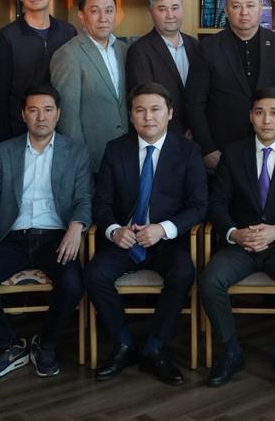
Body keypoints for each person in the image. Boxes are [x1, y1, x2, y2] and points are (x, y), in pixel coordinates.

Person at [0, 85, 92, 380]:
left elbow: (84, 198)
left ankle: (45, 344)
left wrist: (77, 226)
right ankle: (8, 345)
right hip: (12, 237)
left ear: (58, 114)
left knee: (72, 285)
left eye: (48, 110)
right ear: (23, 115)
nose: (41, 117)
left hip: (55, 237)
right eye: (33, 110)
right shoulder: (5, 151)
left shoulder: (76, 152)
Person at [85, 82, 208, 384]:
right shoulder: (116, 149)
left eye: (155, 109)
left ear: (170, 113)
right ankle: (124, 343)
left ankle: (155, 347)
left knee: (183, 272)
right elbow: (101, 203)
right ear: (130, 115)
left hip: (166, 241)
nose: (148, 117)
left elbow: (198, 206)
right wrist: (114, 231)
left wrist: (163, 229)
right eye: (140, 110)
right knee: (94, 274)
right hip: (126, 240)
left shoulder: (188, 152)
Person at [201, 88, 275, 389]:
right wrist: (234, 233)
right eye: (259, 112)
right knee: (210, 281)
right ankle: (231, 351)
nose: (266, 120)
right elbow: (216, 203)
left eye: (274, 112)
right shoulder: (233, 153)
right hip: (240, 245)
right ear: (251, 116)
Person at [187, 0, 275, 170]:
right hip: (223, 148)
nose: (244, 12)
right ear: (226, 11)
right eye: (236, 6)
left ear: (260, 9)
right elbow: (195, 102)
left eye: (250, 5)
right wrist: (207, 149)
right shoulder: (208, 47)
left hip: (271, 145)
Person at [0, 0, 77, 144]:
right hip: (19, 130)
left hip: (62, 128)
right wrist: (3, 141)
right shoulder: (7, 36)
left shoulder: (68, 32)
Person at [50, 0, 129, 172]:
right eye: (94, 11)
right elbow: (68, 118)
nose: (103, 18)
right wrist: (78, 160)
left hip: (126, 153)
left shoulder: (123, 50)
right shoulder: (68, 54)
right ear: (81, 16)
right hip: (92, 158)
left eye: (109, 11)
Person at [126, 0, 205, 139]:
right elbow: (145, 100)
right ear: (150, 13)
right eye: (162, 9)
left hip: (197, 135)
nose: (170, 15)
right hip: (162, 137)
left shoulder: (196, 46)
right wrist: (176, 134)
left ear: (182, 9)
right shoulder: (139, 51)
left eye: (175, 8)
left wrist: (197, 128)